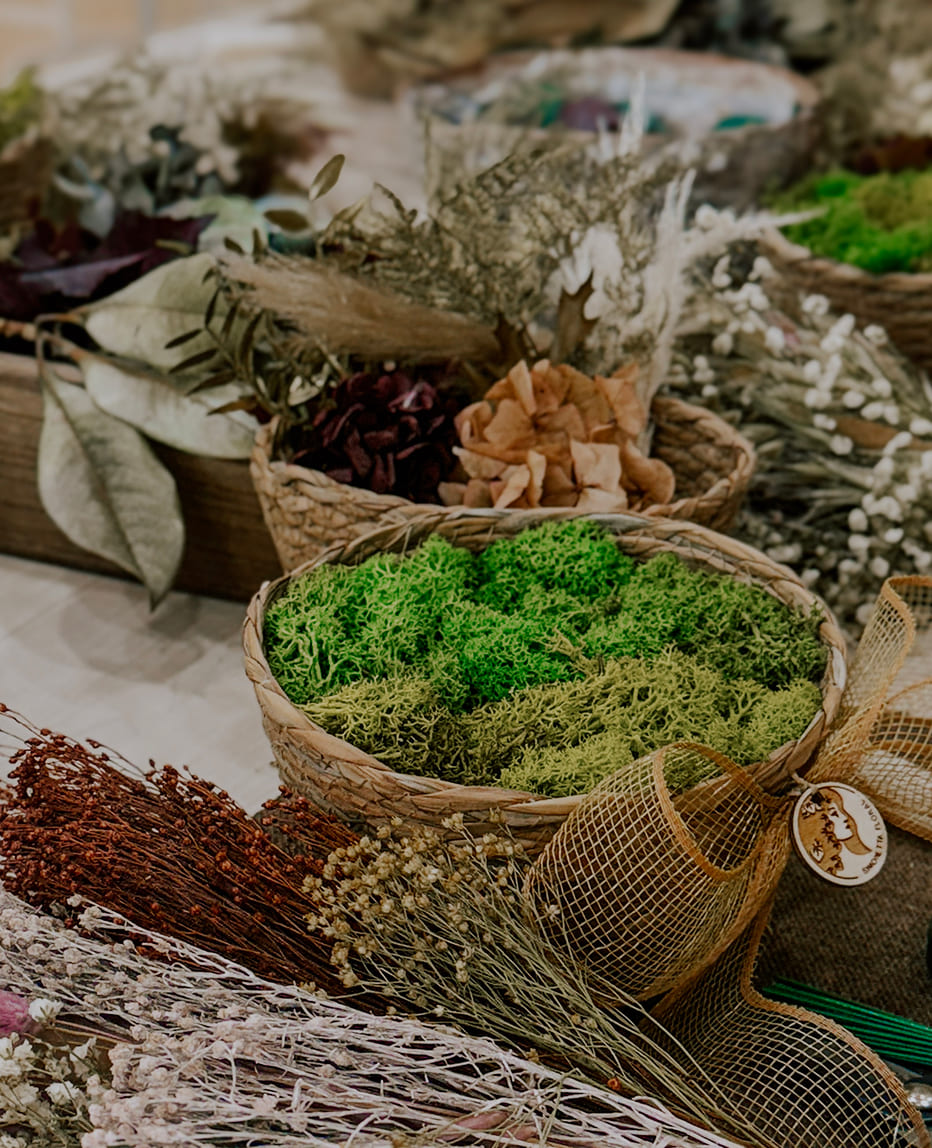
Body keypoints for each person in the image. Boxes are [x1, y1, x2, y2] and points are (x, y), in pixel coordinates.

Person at [796, 786, 872, 878]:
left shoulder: (860, 857)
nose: (845, 818)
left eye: (841, 812)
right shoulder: (835, 865)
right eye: (834, 814)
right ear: (822, 825)